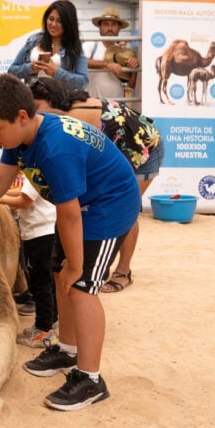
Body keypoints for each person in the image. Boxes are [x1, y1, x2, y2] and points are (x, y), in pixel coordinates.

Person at [0, 73, 140, 411]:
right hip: (83, 207)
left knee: (80, 287)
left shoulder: (54, 148)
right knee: (62, 276)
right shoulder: (18, 139)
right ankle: (68, 349)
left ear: (21, 116)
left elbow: (70, 214)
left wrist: (76, 265)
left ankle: (90, 379)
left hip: (109, 206)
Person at [29, 76, 164, 293]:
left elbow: (78, 156)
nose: (34, 113)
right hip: (121, 150)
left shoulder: (72, 116)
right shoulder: (62, 113)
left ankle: (123, 271)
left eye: (36, 107)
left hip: (144, 147)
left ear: (51, 100)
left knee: (126, 211)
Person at [0, 173, 59, 348]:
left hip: (40, 233)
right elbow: (22, 194)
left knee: (41, 284)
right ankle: (49, 324)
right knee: (46, 283)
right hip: (41, 232)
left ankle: (43, 331)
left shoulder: (35, 171)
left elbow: (24, 201)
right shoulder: (34, 173)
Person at [8, 0, 88, 90]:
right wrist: (30, 68)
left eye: (60, 21)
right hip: (34, 98)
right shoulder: (34, 40)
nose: (53, 24)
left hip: (61, 100)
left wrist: (56, 72)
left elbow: (83, 81)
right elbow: (11, 71)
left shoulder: (74, 47)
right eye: (51, 19)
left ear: (68, 23)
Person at [82, 7, 140, 99]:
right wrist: (107, 64)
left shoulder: (124, 52)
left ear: (119, 27)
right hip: (94, 103)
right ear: (99, 27)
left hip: (117, 104)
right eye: (105, 24)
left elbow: (131, 85)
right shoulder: (90, 45)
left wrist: (134, 68)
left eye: (114, 24)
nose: (110, 28)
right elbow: (82, 62)